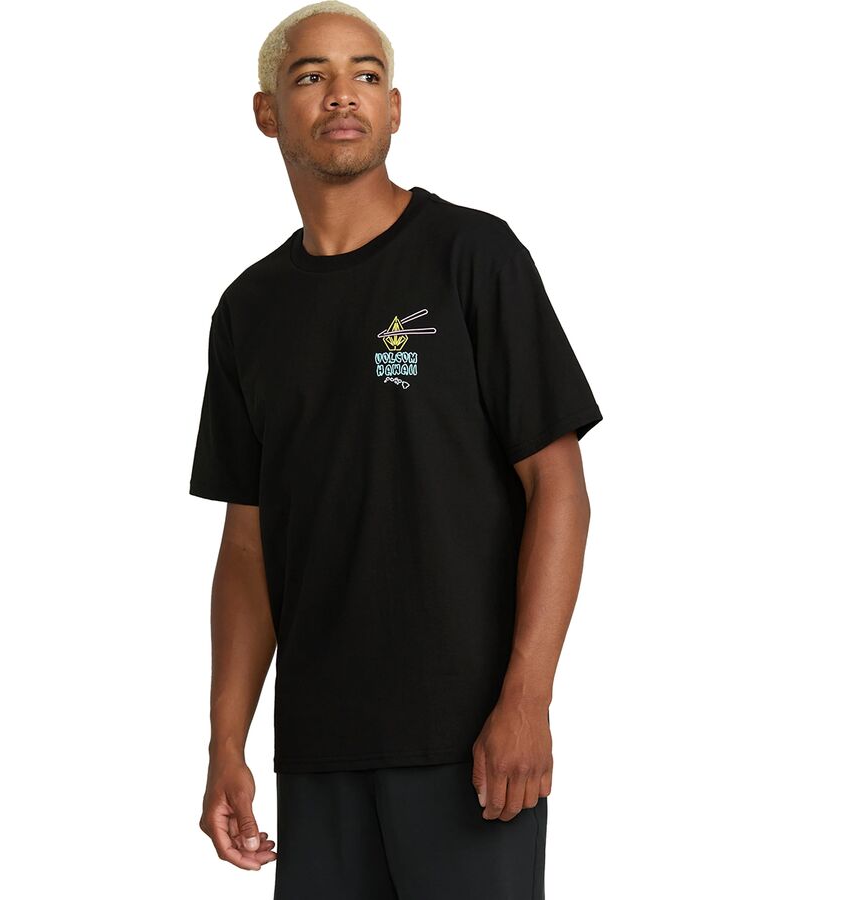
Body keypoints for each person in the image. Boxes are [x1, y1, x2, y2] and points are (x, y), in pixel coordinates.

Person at [188, 2, 603, 897]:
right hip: (318, 751)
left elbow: (558, 487)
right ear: (267, 112)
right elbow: (248, 544)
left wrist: (527, 697)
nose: (343, 94)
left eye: (366, 75)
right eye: (311, 76)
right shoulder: (248, 311)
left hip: (471, 748)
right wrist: (226, 741)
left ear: (395, 108)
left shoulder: (473, 255)